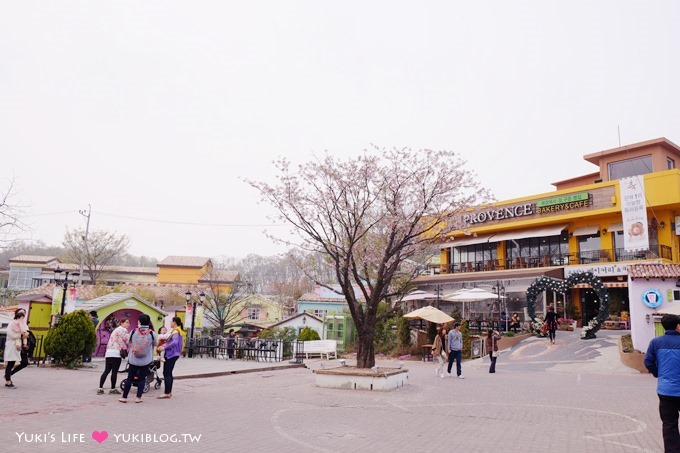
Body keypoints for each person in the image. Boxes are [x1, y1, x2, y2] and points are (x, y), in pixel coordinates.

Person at [644, 314, 680, 453]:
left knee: (669, 423)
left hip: (666, 391)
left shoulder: (656, 342)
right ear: (677, 326)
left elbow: (648, 362)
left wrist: (658, 373)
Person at [119, 314, 157, 403]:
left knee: (129, 378)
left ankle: (124, 397)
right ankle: (138, 398)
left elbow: (128, 342)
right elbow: (155, 344)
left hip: (133, 360)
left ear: (139, 321)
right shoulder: (151, 333)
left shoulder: (133, 331)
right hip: (145, 360)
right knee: (142, 379)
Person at [97, 318, 130, 395]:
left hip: (109, 353)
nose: (128, 324)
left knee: (106, 370)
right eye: (126, 322)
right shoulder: (124, 330)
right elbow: (128, 341)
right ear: (121, 323)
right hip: (116, 353)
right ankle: (112, 389)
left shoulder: (115, 330)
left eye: (129, 323)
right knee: (114, 372)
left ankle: (100, 388)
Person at [157, 317, 184, 399]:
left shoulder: (176, 331)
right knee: (169, 373)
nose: (170, 323)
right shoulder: (177, 330)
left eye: (171, 322)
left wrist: (164, 347)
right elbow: (170, 341)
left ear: (174, 322)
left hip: (171, 354)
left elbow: (174, 342)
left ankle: (167, 392)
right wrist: (163, 346)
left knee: (167, 373)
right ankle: (168, 392)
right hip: (173, 354)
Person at [4, 309, 29, 388]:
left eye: (24, 313)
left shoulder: (24, 324)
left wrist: (25, 340)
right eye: (21, 313)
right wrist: (22, 335)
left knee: (24, 362)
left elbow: (26, 333)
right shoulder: (12, 323)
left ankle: (9, 374)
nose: (22, 315)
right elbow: (11, 334)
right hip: (13, 345)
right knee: (11, 362)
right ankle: (8, 381)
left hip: (21, 345)